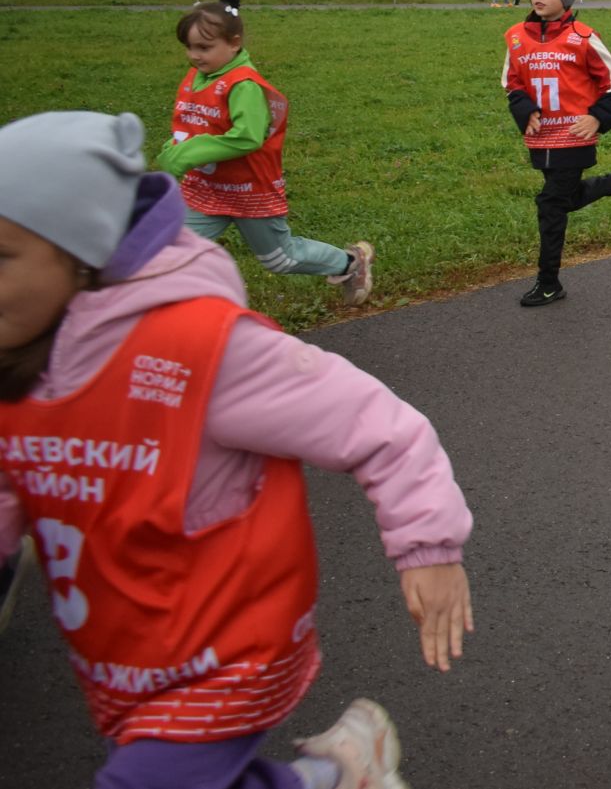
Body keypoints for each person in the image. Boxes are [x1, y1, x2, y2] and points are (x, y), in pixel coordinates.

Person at [0, 110, 473, 789]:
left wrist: (430, 547)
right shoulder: (19, 362)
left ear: (81, 248)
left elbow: (380, 424)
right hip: (120, 649)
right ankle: (335, 775)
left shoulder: (202, 347)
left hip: (227, 648)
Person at [157, 0, 374, 307]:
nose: (195, 56)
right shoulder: (199, 77)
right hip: (208, 189)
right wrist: (174, 146)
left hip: (250, 189)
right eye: (189, 47)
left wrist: (187, 153)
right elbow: (193, 121)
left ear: (234, 43)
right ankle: (180, 314)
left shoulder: (243, 85)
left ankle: (351, 263)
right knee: (173, 250)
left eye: (204, 48)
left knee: (279, 260)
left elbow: (248, 137)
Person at [502, 0, 611, 307]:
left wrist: (597, 118)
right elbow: (511, 82)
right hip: (541, 139)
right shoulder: (516, 38)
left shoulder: (583, 39)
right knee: (566, 197)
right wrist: (524, 109)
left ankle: (548, 282)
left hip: (574, 137)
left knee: (551, 204)